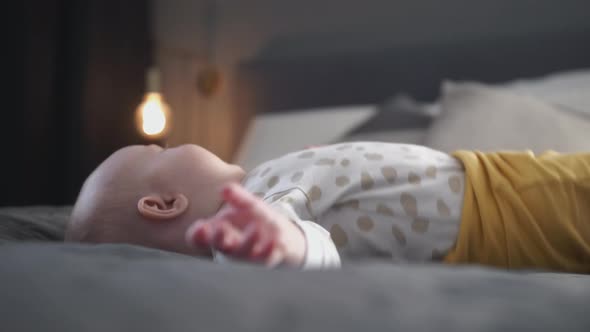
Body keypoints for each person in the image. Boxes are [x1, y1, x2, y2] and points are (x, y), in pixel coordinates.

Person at [65, 142, 590, 273]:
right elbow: (313, 250)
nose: (172, 143)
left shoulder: (265, 186)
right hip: (501, 208)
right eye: (158, 151)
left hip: (495, 176)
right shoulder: (262, 209)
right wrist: (279, 245)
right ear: (163, 203)